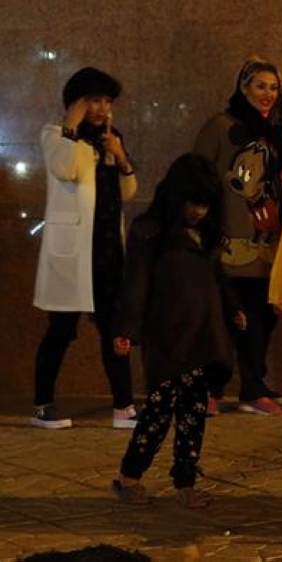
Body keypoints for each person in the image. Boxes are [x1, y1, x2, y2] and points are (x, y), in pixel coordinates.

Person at [110, 153, 245, 508]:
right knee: (157, 412)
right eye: (193, 203)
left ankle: (185, 482)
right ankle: (130, 477)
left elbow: (218, 278)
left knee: (193, 415)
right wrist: (127, 329)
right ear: (175, 197)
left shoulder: (207, 236)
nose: (199, 211)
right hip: (169, 339)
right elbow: (135, 283)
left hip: (205, 337)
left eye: (205, 204)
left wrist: (233, 310)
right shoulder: (150, 232)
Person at [194, 56, 282, 416]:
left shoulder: (274, 131)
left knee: (262, 315)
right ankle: (209, 388)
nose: (268, 94)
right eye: (260, 86)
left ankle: (252, 386)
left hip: (266, 242)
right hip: (227, 239)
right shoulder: (220, 125)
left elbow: (276, 179)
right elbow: (196, 174)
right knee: (226, 316)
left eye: (274, 88)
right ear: (244, 87)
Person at [32, 67, 138, 430]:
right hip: (74, 255)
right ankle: (43, 403)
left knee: (114, 329)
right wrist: (71, 126)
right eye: (94, 99)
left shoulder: (111, 138)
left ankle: (123, 406)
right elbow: (67, 168)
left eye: (107, 101)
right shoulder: (56, 135)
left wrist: (121, 156)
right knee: (60, 330)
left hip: (108, 253)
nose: (102, 108)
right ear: (75, 103)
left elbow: (127, 193)